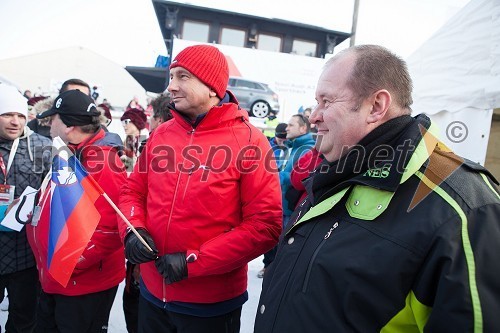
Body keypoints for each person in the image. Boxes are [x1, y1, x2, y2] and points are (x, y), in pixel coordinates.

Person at [254, 45, 500, 332]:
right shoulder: (338, 170)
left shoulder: (465, 208)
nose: (314, 116)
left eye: (326, 101)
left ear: (377, 106)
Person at [119, 44, 282, 333]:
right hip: (152, 294)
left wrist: (194, 262)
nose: (172, 86)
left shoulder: (250, 141)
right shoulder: (160, 135)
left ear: (211, 87)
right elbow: (133, 192)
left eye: (183, 77)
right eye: (171, 77)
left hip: (210, 306)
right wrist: (133, 230)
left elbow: (264, 225)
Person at [27, 89, 127, 332]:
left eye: (54, 119)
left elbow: (112, 227)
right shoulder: (72, 151)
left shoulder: (102, 162)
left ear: (70, 126)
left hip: (81, 285)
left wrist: (72, 263)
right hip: (58, 279)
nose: (49, 125)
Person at [0, 84, 52, 333]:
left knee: (24, 319)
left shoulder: (42, 147)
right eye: (8, 114)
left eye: (21, 115)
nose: (15, 122)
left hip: (26, 252)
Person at [258, 122, 288, 279]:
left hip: (287, 197)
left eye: (285, 138)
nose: (282, 141)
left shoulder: (291, 148)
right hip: (270, 196)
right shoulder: (267, 147)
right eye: (280, 138)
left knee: (284, 236)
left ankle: (279, 268)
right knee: (270, 234)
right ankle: (267, 266)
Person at [280, 114, 315, 227]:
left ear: (303, 128)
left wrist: (274, 176)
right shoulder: (291, 147)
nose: (286, 128)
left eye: (291, 125)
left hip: (292, 210)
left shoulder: (308, 149)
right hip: (283, 207)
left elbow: (301, 178)